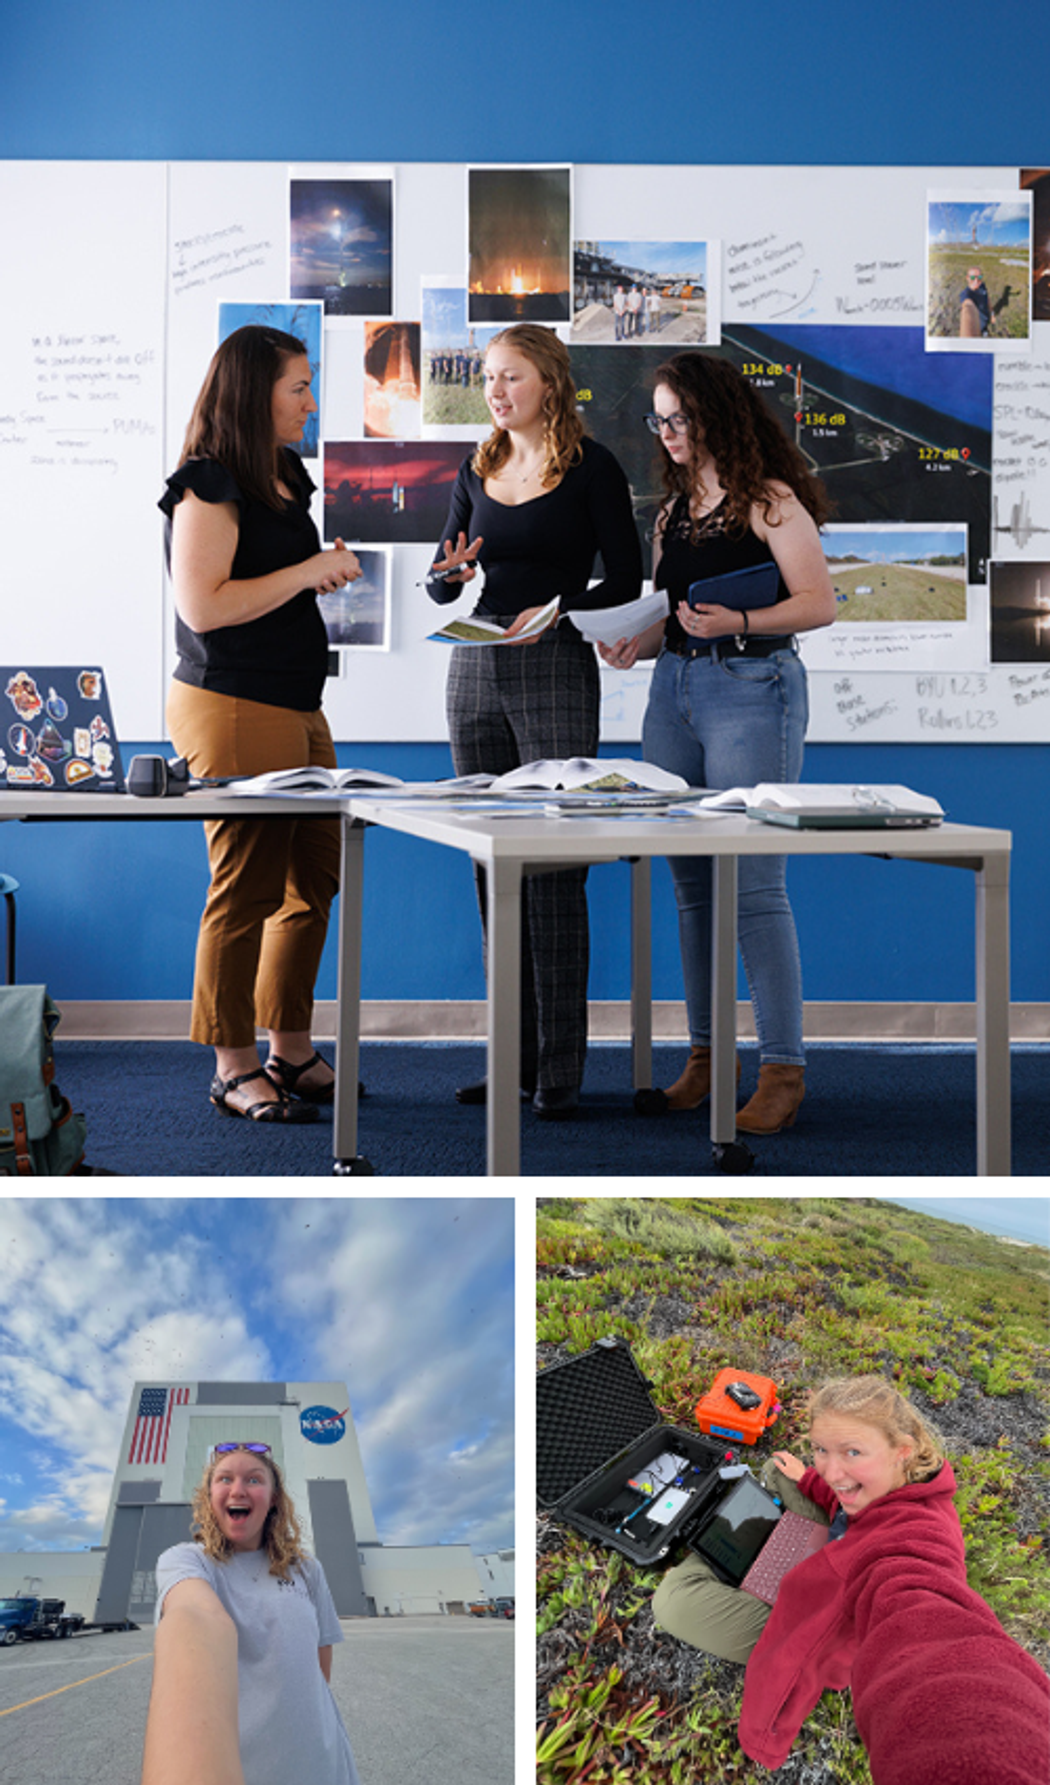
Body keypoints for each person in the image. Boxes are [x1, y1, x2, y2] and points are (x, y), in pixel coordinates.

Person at [600, 353, 835, 1134]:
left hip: (752, 692)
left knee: (755, 886)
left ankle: (782, 1067)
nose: (667, 433)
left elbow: (817, 604)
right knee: (693, 887)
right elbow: (671, 607)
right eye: (658, 419)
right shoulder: (672, 512)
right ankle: (705, 1061)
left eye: (681, 418)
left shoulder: (769, 501)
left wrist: (738, 621)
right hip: (676, 691)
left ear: (716, 417)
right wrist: (635, 641)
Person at [427, 323, 642, 1116]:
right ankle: (509, 1060)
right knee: (492, 862)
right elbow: (445, 579)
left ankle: (557, 1071)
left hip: (552, 658)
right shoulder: (477, 464)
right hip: (474, 661)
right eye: (489, 377)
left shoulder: (592, 469)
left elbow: (627, 577)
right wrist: (444, 577)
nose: (496, 390)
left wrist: (560, 611)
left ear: (548, 382)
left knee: (553, 864)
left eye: (511, 376)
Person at [652, 1376, 1050, 1784]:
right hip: (830, 1554)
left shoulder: (914, 1543)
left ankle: (726, 1549)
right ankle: (753, 1544)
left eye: (853, 1452)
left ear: (902, 1451)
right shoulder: (905, 1483)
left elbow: (929, 1632)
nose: (830, 1469)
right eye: (822, 1449)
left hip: (832, 1628)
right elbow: (848, 1506)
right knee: (778, 1467)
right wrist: (811, 1480)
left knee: (671, 1600)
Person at [160, 326, 362, 1123]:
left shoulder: (282, 474)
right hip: (233, 701)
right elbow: (203, 606)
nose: (310, 402)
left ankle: (291, 1047)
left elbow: (270, 585)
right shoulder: (208, 482)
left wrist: (318, 573)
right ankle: (232, 1062)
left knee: (313, 878)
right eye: (298, 388)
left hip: (296, 701)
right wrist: (307, 571)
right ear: (254, 393)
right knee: (243, 885)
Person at [142, 1443, 361, 1785]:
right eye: (224, 1478)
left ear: (274, 1498)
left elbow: (319, 1659)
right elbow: (195, 1615)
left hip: (322, 1763)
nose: (238, 1489)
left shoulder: (306, 1569)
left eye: (254, 1480)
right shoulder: (188, 1561)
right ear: (209, 1495)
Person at [960, 267, 991, 337]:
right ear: (967, 278)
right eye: (973, 277)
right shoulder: (966, 294)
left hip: (986, 318)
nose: (976, 280)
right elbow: (967, 307)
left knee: (985, 327)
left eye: (979, 277)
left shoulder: (982, 285)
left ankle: (985, 331)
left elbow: (987, 297)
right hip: (978, 325)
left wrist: (992, 313)